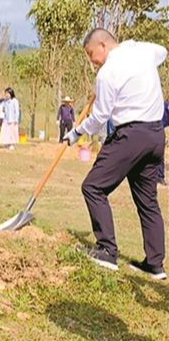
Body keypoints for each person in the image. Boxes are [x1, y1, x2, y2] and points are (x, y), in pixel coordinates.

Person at [63, 28, 166, 280]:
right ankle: (155, 264)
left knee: (93, 187)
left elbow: (100, 117)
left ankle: (107, 250)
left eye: (91, 55)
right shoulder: (144, 51)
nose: (92, 62)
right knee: (147, 201)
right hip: (155, 136)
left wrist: (76, 132)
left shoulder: (107, 73)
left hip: (130, 135)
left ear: (102, 45)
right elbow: (162, 51)